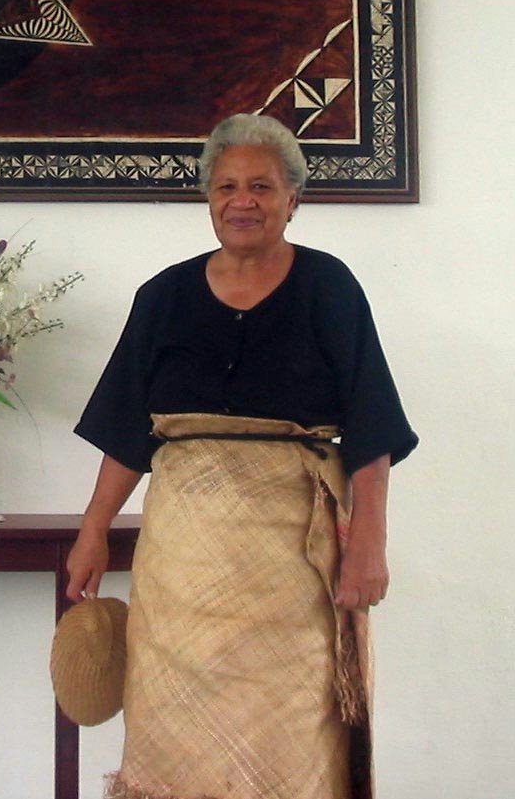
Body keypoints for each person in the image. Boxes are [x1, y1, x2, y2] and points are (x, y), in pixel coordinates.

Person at [66, 113, 417, 799]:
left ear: (293, 199)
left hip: (291, 561)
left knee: (289, 729)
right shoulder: (162, 297)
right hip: (179, 564)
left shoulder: (329, 288)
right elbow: (126, 429)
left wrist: (368, 541)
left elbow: (371, 425)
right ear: (208, 199)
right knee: (172, 731)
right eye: (226, 185)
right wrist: (92, 530)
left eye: (261, 185)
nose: (242, 200)